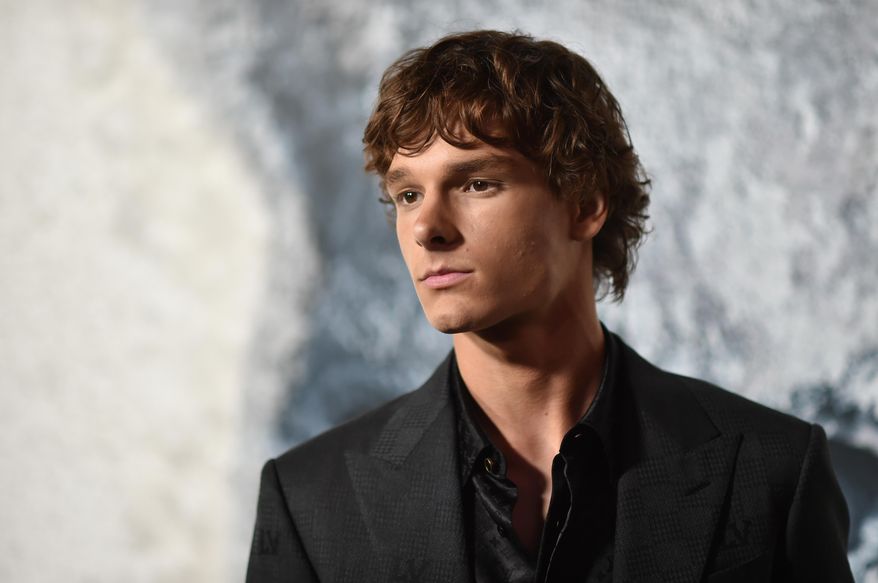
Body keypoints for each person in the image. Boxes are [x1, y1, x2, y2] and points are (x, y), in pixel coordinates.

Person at [246, 30, 853, 582]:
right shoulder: (309, 500)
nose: (427, 227)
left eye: (477, 182)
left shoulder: (772, 468)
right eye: (407, 194)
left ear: (585, 205)